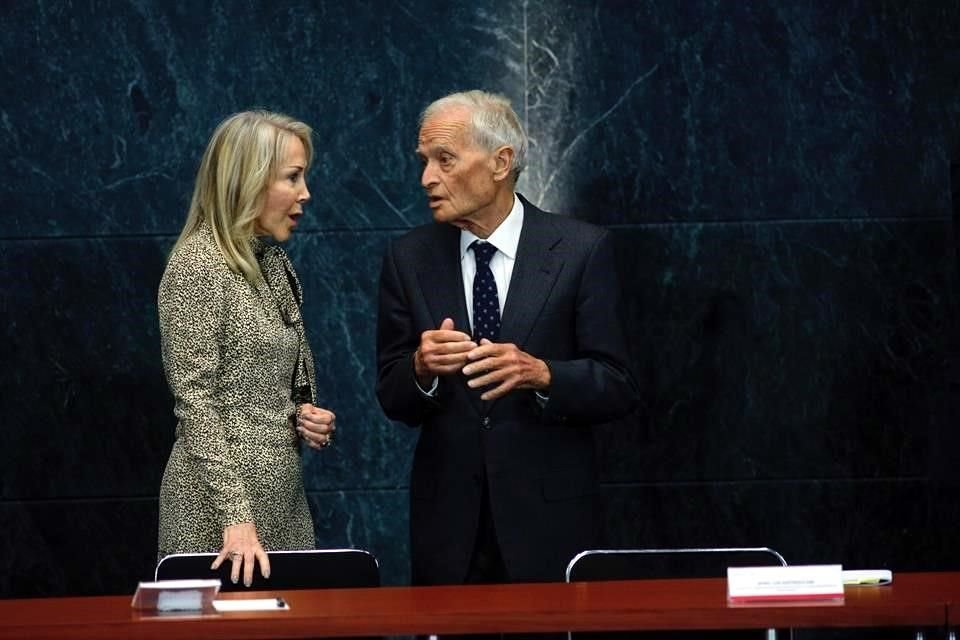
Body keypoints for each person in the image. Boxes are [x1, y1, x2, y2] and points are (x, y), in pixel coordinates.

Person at [376, 90, 638, 589]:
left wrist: (542, 374)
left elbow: (618, 383)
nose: (427, 178)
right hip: (448, 531)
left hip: (550, 525)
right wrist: (421, 369)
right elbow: (391, 393)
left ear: (501, 162)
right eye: (425, 161)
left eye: (444, 160)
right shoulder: (408, 258)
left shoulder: (581, 250)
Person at [157, 110, 336, 587]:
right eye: (293, 177)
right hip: (217, 515)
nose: (305, 194)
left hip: (283, 501)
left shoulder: (273, 262)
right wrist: (235, 518)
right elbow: (195, 403)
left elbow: (268, 380)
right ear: (248, 181)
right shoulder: (198, 265)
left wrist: (303, 414)